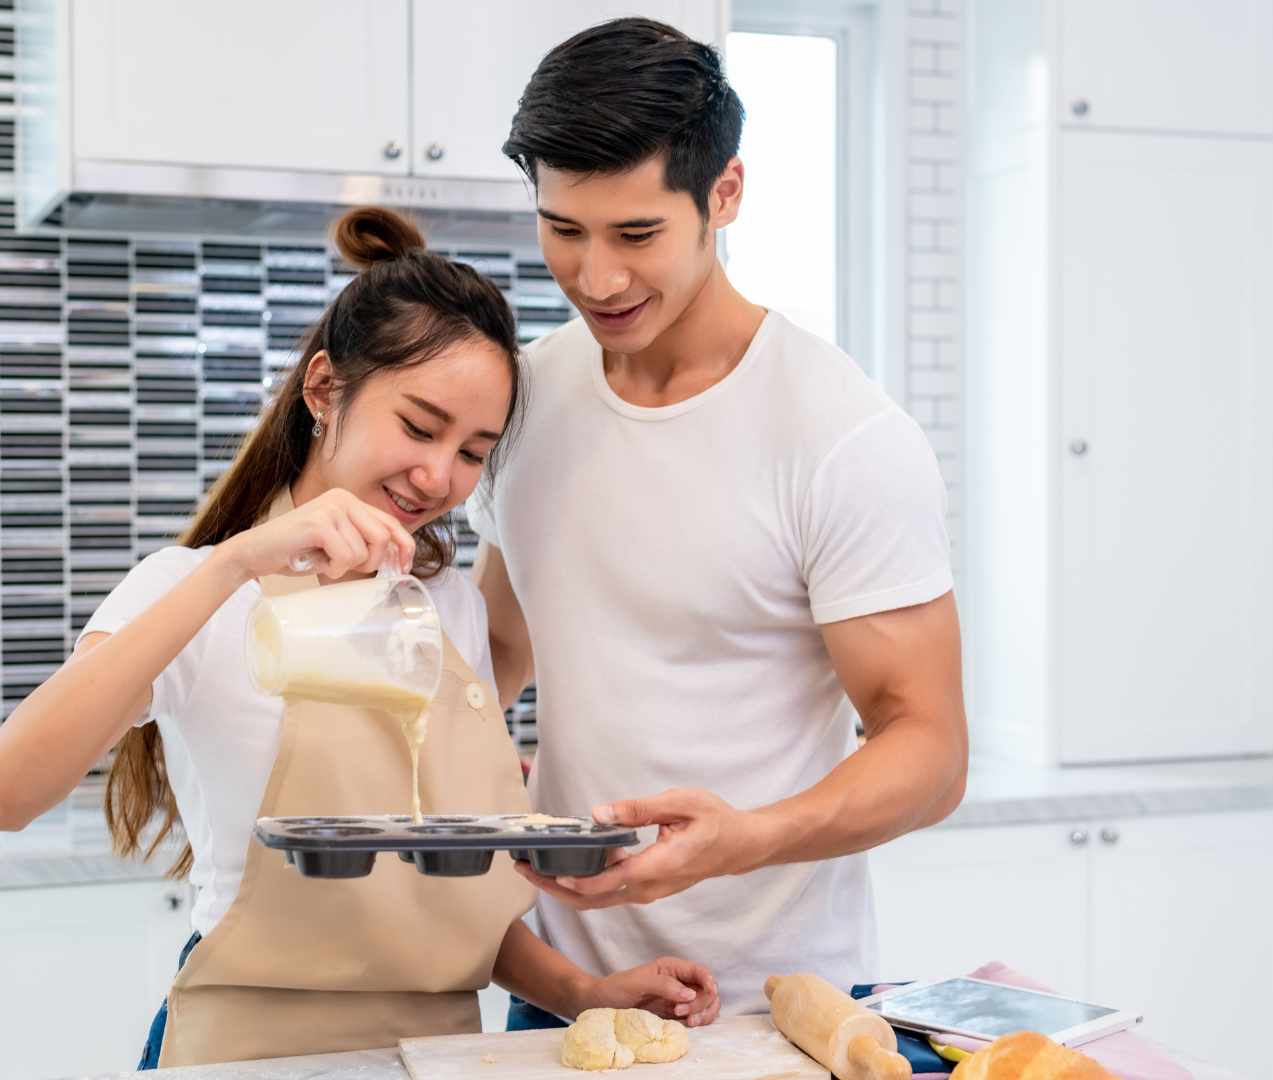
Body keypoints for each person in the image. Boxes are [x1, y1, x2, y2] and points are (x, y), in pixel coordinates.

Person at [0, 206, 718, 1069]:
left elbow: (443, 910)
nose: (438, 476)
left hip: (436, 1055)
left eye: (471, 451)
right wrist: (231, 567)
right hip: (245, 1054)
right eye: (419, 427)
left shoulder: (444, 611)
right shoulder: (189, 589)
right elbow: (11, 794)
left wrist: (582, 993)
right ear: (322, 391)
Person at [469, 18, 969, 1026]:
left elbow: (930, 750)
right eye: (564, 230)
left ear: (724, 196)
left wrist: (748, 835)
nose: (597, 278)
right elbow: (500, 648)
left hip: (774, 1002)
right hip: (570, 991)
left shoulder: (839, 435)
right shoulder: (527, 396)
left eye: (637, 234)